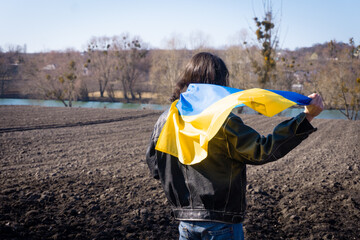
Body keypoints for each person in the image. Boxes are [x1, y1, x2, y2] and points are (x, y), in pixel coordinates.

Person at [145, 52, 323, 240]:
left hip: (185, 224)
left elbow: (156, 168)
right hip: (222, 225)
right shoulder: (222, 120)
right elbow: (262, 149)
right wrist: (306, 118)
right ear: (219, 83)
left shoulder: (166, 119)